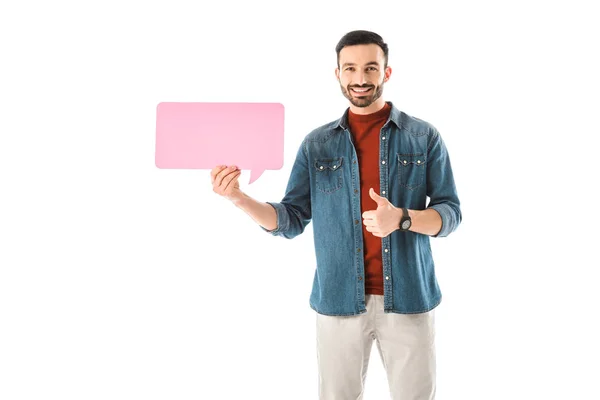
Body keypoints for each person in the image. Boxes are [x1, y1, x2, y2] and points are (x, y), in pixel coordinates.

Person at [210, 30, 461, 400]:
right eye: (351, 69)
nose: (361, 79)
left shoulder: (423, 137)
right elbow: (292, 219)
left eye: (371, 68)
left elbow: (449, 212)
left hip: (410, 299)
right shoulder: (317, 144)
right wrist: (238, 198)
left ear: (386, 73)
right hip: (339, 300)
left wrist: (403, 219)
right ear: (338, 74)